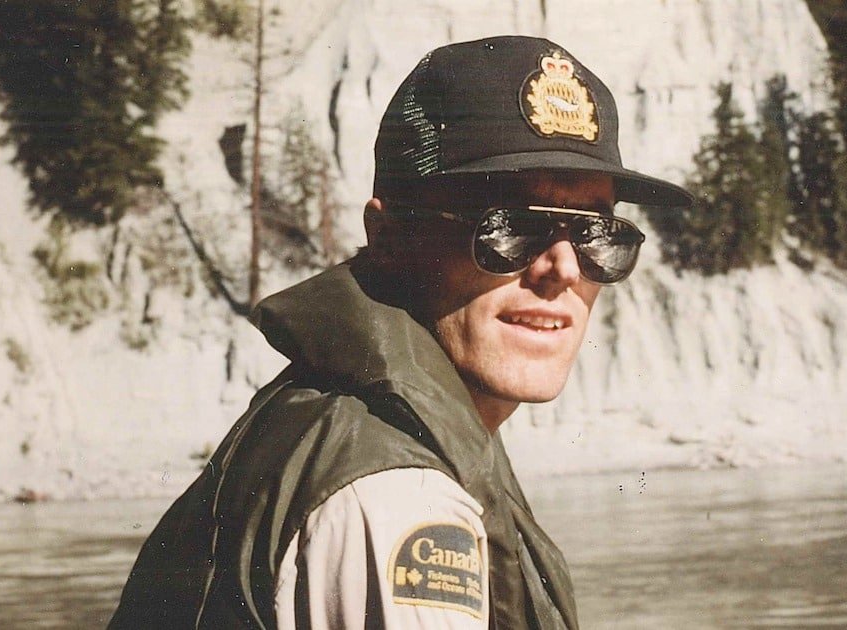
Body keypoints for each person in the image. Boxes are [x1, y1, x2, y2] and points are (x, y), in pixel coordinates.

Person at [110, 35, 691, 629]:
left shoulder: (366, 429)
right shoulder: (393, 497)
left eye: (598, 235)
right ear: (389, 237)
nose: (563, 269)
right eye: (510, 227)